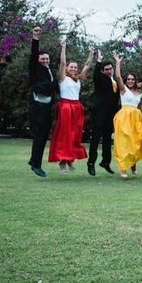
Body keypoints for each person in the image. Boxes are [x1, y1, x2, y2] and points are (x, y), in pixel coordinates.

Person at [48, 41, 94, 173]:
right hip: (65, 107)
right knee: (64, 135)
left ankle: (69, 159)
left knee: (75, 135)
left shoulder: (78, 78)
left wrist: (91, 53)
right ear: (67, 68)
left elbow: (87, 65)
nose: (73, 68)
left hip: (77, 107)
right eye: (71, 67)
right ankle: (62, 161)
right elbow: (62, 62)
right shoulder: (62, 78)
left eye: (75, 67)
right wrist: (63, 47)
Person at [112, 55, 142, 179]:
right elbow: (118, 77)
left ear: (135, 81)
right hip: (124, 118)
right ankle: (123, 169)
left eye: (132, 79)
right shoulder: (123, 90)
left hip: (136, 119)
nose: (130, 81)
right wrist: (118, 63)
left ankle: (133, 166)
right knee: (124, 142)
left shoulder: (139, 92)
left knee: (135, 142)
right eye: (128, 79)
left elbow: (140, 105)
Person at [27, 26, 58, 177]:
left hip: (47, 107)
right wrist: (35, 38)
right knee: (40, 135)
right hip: (38, 106)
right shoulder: (35, 68)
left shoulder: (51, 71)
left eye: (47, 58)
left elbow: (54, 87)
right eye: (42, 58)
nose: (45, 60)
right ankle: (36, 165)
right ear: (38, 60)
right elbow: (33, 54)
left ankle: (33, 159)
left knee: (44, 134)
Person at [87, 49, 120, 176]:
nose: (109, 71)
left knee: (107, 139)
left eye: (110, 68)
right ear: (102, 70)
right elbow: (95, 73)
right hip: (99, 113)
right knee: (95, 139)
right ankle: (91, 163)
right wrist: (98, 60)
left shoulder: (116, 81)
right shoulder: (100, 78)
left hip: (110, 115)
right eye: (106, 69)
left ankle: (106, 162)